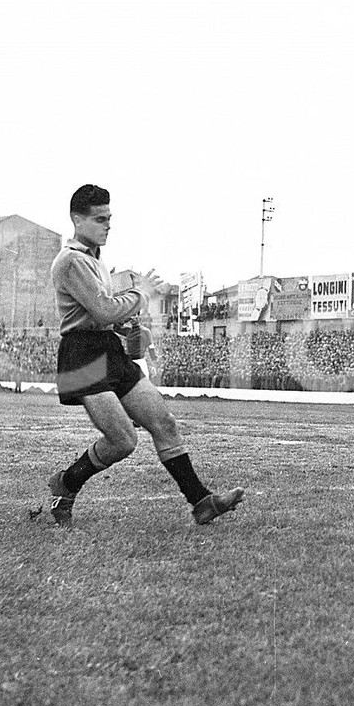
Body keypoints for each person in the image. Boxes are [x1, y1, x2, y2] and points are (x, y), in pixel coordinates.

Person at [44, 183, 244, 529]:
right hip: (80, 356)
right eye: (100, 219)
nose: (107, 225)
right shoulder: (71, 260)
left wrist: (126, 325)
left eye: (110, 218)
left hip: (106, 347)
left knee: (164, 423)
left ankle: (201, 502)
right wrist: (142, 293)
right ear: (77, 219)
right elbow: (104, 310)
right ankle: (67, 482)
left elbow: (101, 316)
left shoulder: (93, 259)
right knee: (122, 440)